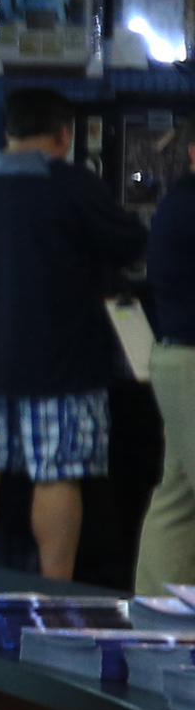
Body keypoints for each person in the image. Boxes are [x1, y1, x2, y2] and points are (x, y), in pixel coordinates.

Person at [0, 86, 148, 579]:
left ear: (8, 129)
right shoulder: (71, 184)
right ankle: (56, 590)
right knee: (57, 474)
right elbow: (130, 244)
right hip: (60, 363)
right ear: (64, 135)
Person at [142, 164, 195, 599]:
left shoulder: (177, 202)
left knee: (178, 500)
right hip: (190, 360)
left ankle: (156, 611)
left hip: (175, 358)